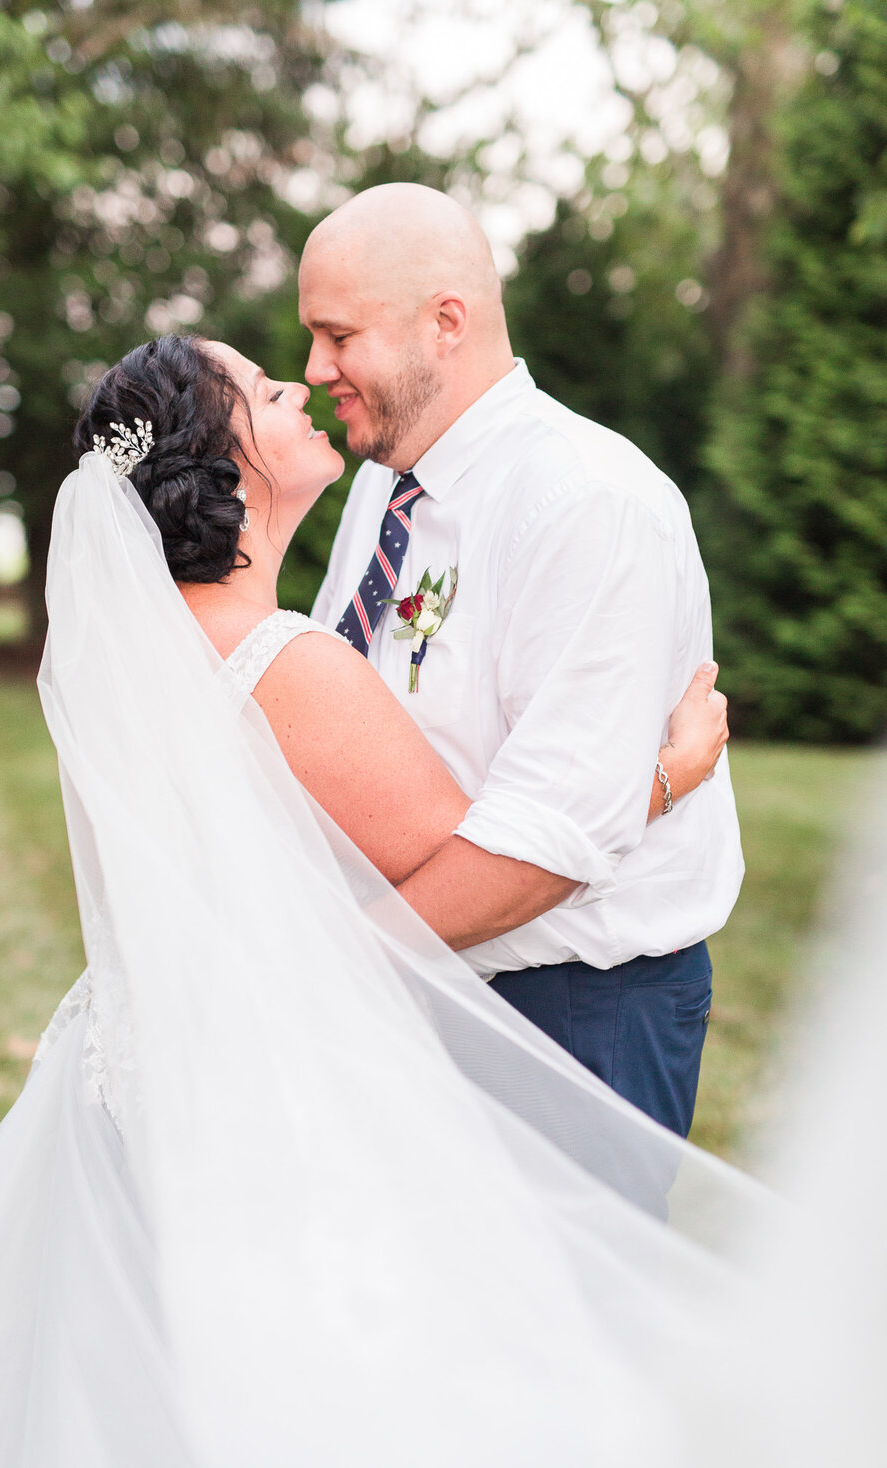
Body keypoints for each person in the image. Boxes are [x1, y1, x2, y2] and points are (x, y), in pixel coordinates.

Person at [0, 333, 752, 1467]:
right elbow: (471, 858)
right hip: (265, 1079)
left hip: (135, 1060)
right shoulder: (281, 659)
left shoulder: (137, 654)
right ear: (222, 458)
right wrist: (662, 775)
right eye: (260, 386)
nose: (299, 382)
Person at [303, 182, 744, 1137]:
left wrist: (332, 961)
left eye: (338, 336)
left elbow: (547, 841)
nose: (313, 369)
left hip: (574, 1013)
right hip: (416, 979)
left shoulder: (587, 503)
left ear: (445, 323)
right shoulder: (385, 491)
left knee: (566, 1292)